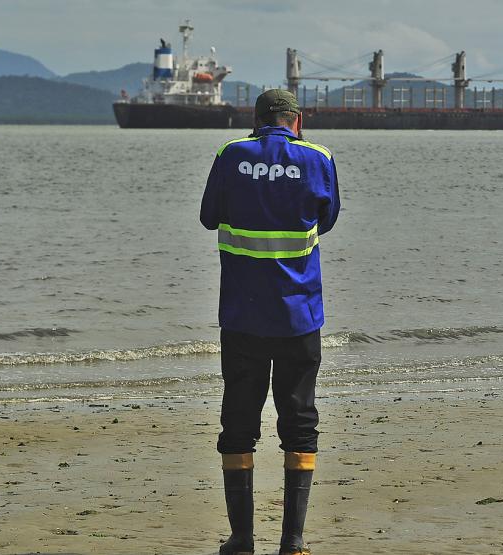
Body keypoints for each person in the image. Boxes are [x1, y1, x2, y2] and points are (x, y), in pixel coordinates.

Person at [199, 89, 340, 555]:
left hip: (242, 316)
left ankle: (241, 540)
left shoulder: (231, 153)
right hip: (300, 315)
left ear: (255, 120)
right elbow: (327, 219)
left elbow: (208, 217)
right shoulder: (318, 157)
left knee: (238, 423)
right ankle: (293, 541)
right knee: (300, 421)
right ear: (298, 121)